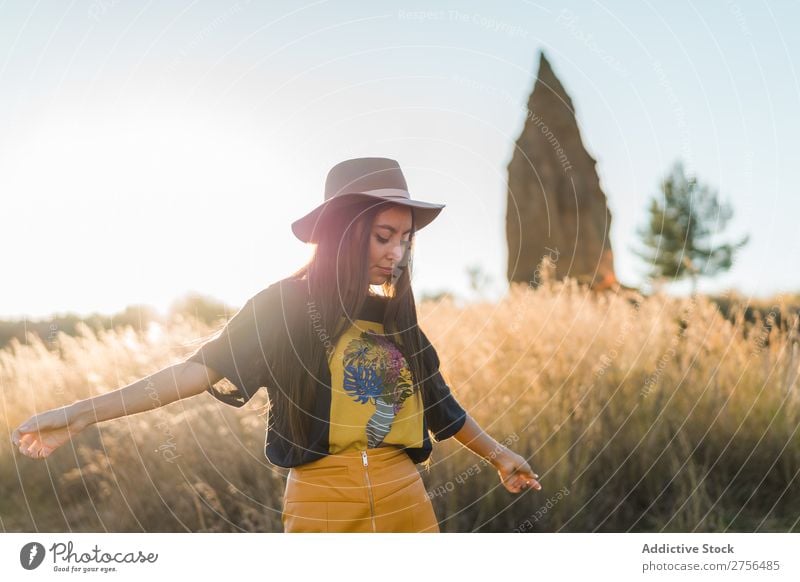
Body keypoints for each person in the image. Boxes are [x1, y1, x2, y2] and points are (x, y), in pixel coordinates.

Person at [11, 157, 542, 532]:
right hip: (322, 505)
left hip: (408, 500)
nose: (397, 254)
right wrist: (83, 412)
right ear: (345, 232)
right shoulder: (283, 309)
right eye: (384, 236)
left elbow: (442, 407)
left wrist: (499, 457)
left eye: (405, 240)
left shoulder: (399, 322)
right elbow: (195, 372)